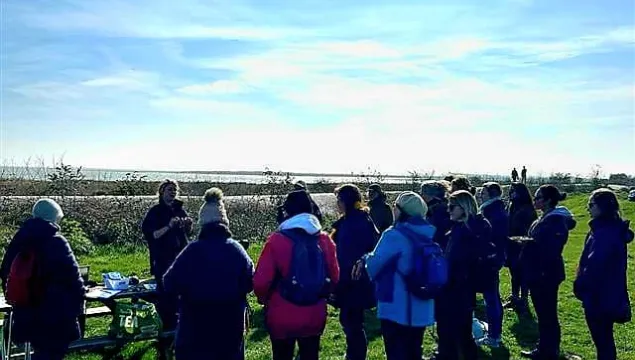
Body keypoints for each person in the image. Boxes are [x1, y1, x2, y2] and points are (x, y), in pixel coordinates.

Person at [163, 188, 254, 360]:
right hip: (229, 331)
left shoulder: (192, 251)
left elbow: (169, 283)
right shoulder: (237, 250)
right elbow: (250, 282)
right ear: (225, 222)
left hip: (194, 331)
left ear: (202, 223)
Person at [253, 190, 340, 360]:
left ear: (287, 212)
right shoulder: (324, 240)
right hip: (314, 313)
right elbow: (335, 277)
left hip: (281, 312)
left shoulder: (276, 240)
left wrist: (264, 299)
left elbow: (261, 282)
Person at [0, 199, 85, 360]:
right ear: (53, 218)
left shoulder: (19, 239)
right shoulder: (56, 242)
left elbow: (5, 270)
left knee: (40, 352)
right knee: (51, 354)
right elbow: (74, 280)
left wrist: (15, 297)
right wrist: (79, 302)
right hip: (55, 315)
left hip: (25, 312)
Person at [355, 191, 436, 360]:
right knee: (414, 351)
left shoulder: (393, 235)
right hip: (421, 305)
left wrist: (365, 258)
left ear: (401, 210)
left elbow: (374, 266)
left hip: (397, 307)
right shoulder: (428, 233)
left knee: (396, 353)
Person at [574, 189, 633, 360]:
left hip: (599, 295)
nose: (588, 209)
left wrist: (581, 286)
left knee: (603, 340)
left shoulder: (604, 233)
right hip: (609, 292)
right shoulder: (611, 229)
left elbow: (594, 265)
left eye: (591, 205)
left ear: (602, 207)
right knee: (605, 339)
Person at [520, 185, 576, 359]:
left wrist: (526, 244)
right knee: (544, 314)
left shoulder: (555, 221)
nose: (535, 201)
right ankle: (545, 347)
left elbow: (548, 249)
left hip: (546, 274)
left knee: (547, 315)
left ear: (549, 200)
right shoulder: (546, 218)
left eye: (538, 198)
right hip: (540, 272)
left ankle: (548, 350)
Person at [141, 179, 193, 358]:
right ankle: (163, 342)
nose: (172, 192)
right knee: (165, 302)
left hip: (181, 261)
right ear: (161, 192)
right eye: (169, 189)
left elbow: (188, 234)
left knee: (182, 300)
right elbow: (152, 235)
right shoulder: (155, 212)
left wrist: (187, 225)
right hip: (162, 262)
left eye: (175, 190)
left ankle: (179, 337)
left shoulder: (180, 209)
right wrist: (169, 226)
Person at [436, 190, 490, 360]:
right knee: (459, 332)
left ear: (464, 207)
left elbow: (461, 262)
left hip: (457, 289)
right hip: (458, 288)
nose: (448, 210)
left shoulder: (469, 231)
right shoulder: (463, 228)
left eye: (452, 207)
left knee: (456, 333)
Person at [330, 184, 379, 360]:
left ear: (346, 202)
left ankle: (354, 356)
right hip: (360, 279)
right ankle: (354, 355)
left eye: (339, 200)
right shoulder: (363, 218)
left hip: (352, 281)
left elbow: (346, 258)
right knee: (353, 323)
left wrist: (338, 287)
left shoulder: (351, 225)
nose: (337, 204)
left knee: (352, 324)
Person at [477, 182, 508, 348]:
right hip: (491, 259)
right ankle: (494, 333)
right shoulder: (492, 209)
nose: (480, 194)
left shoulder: (494, 213)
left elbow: (493, 239)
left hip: (489, 260)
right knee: (492, 297)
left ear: (492, 194)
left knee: (492, 298)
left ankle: (494, 335)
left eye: (484, 191)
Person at [506, 183, 538, 311]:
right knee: (514, 274)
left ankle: (523, 300)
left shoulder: (527, 209)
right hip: (512, 245)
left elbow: (528, 230)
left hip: (523, 246)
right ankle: (514, 297)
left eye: (513, 191)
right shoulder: (512, 206)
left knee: (523, 274)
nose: (511, 193)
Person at [420, 180, 452, 250]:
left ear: (431, 195)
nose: (421, 196)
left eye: (423, 193)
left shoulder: (437, 209)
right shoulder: (443, 206)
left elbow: (436, 232)